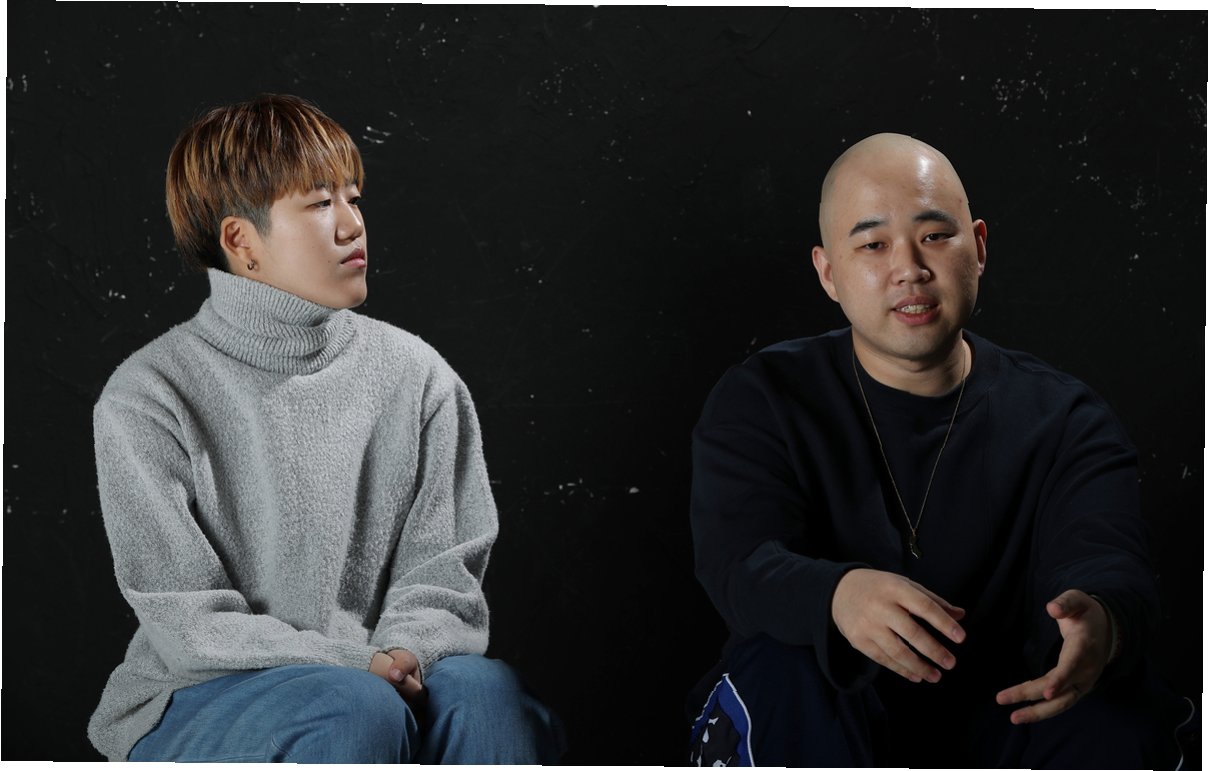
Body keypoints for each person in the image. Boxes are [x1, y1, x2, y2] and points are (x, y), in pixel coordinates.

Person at [88, 94, 563, 763]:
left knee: (488, 696)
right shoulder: (149, 395)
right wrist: (356, 663)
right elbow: (187, 621)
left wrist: (402, 651)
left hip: (381, 674)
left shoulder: (417, 375)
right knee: (352, 705)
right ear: (240, 241)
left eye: (352, 197)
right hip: (200, 693)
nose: (351, 225)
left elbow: (443, 575)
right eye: (318, 204)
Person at [687, 133, 1187, 768]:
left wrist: (1099, 621)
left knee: (1111, 705)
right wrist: (836, 595)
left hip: (1001, 718)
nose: (910, 269)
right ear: (828, 272)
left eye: (934, 235)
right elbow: (739, 562)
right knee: (784, 665)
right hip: (827, 709)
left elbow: (1107, 557)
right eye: (873, 245)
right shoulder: (764, 398)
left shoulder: (1067, 420)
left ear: (978, 247)